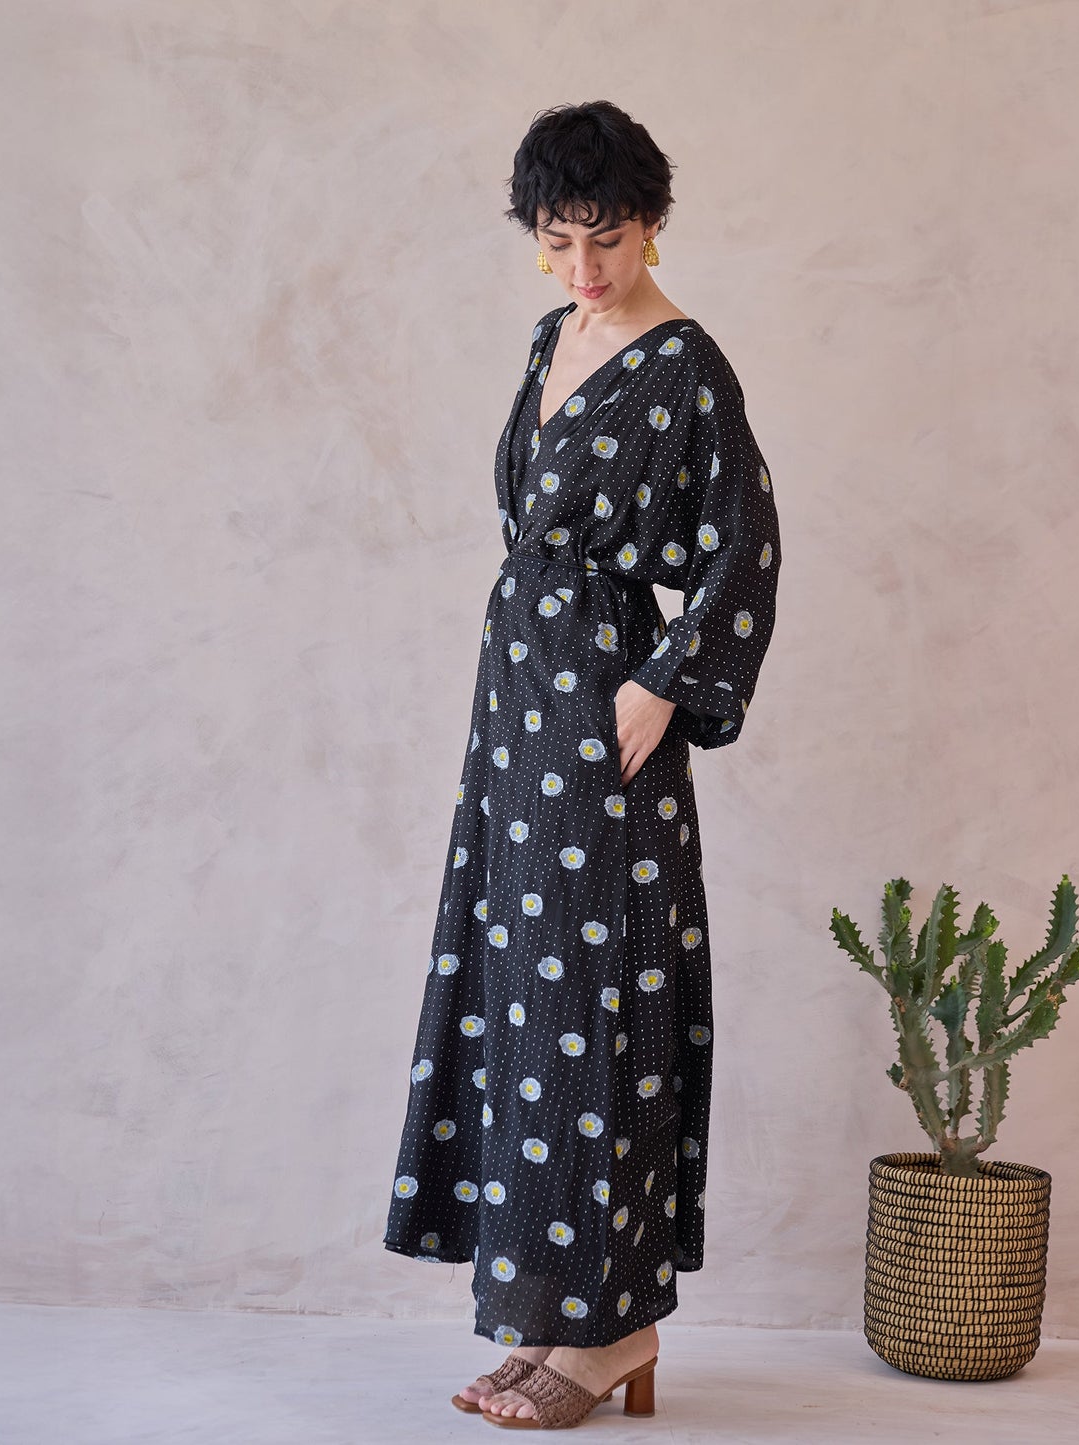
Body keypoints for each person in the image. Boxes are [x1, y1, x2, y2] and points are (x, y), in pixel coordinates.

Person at [382, 99, 782, 1429]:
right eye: (556, 240)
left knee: (599, 999)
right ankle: (551, 1314)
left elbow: (744, 541)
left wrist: (662, 684)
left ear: (652, 223)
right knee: (521, 996)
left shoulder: (687, 365)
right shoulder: (552, 336)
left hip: (605, 704)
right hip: (517, 702)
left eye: (604, 239)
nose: (580, 267)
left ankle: (616, 1331)